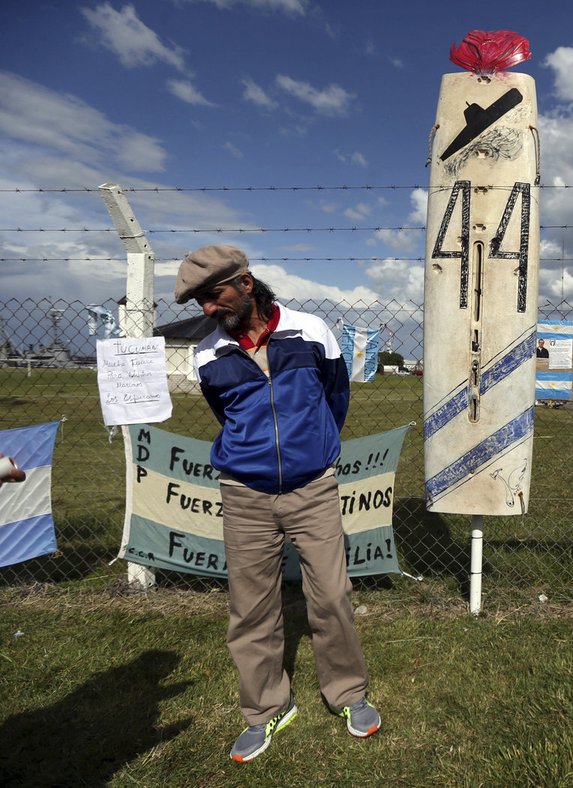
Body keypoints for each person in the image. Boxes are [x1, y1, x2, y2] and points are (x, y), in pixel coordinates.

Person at [175, 244, 379, 763]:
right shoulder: (207, 354)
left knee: (331, 595)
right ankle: (266, 709)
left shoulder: (311, 332)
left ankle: (348, 692)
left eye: (212, 294)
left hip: (312, 489)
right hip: (245, 496)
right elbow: (228, 415)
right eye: (197, 300)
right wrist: (259, 457)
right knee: (251, 608)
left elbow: (336, 398)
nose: (205, 309)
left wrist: (315, 453)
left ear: (244, 284)